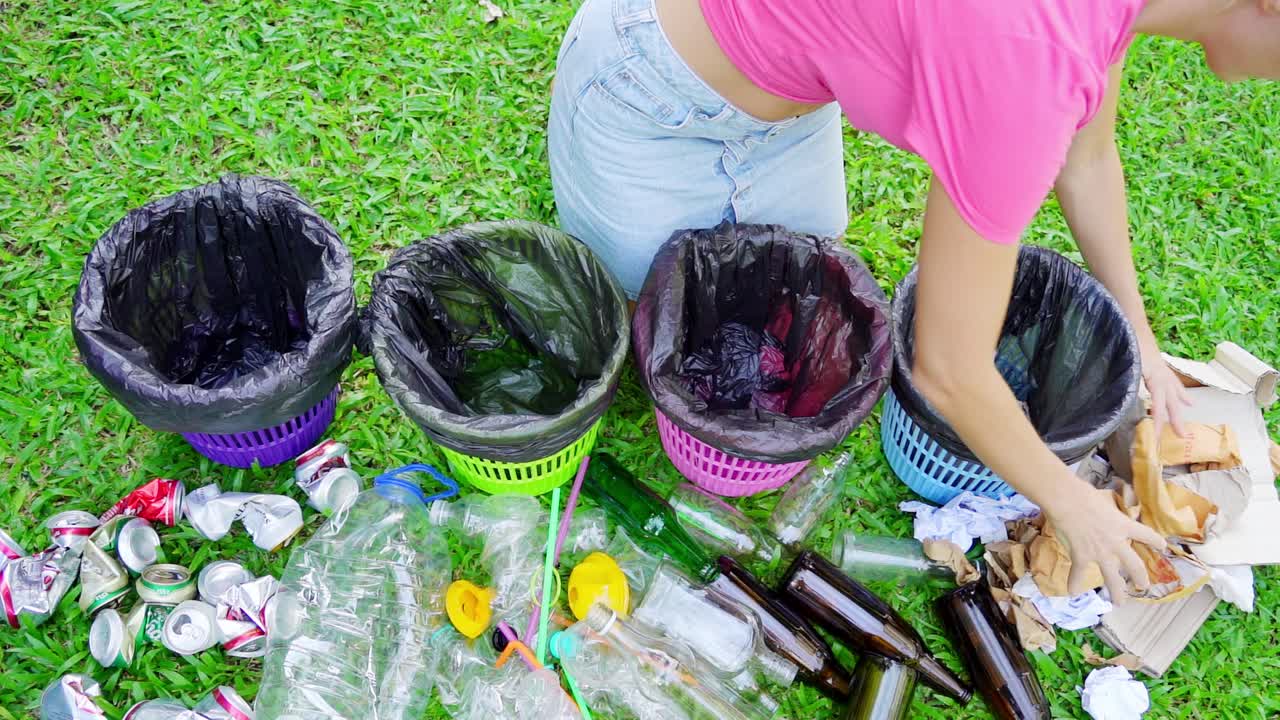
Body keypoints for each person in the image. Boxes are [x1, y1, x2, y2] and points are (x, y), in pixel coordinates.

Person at [547, 0, 1280, 600]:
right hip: (646, 92)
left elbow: (1087, 161)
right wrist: (1075, 503)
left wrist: (1141, 340)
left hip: (786, 108)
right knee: (666, 331)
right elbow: (947, 370)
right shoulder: (1030, 66)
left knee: (786, 305)